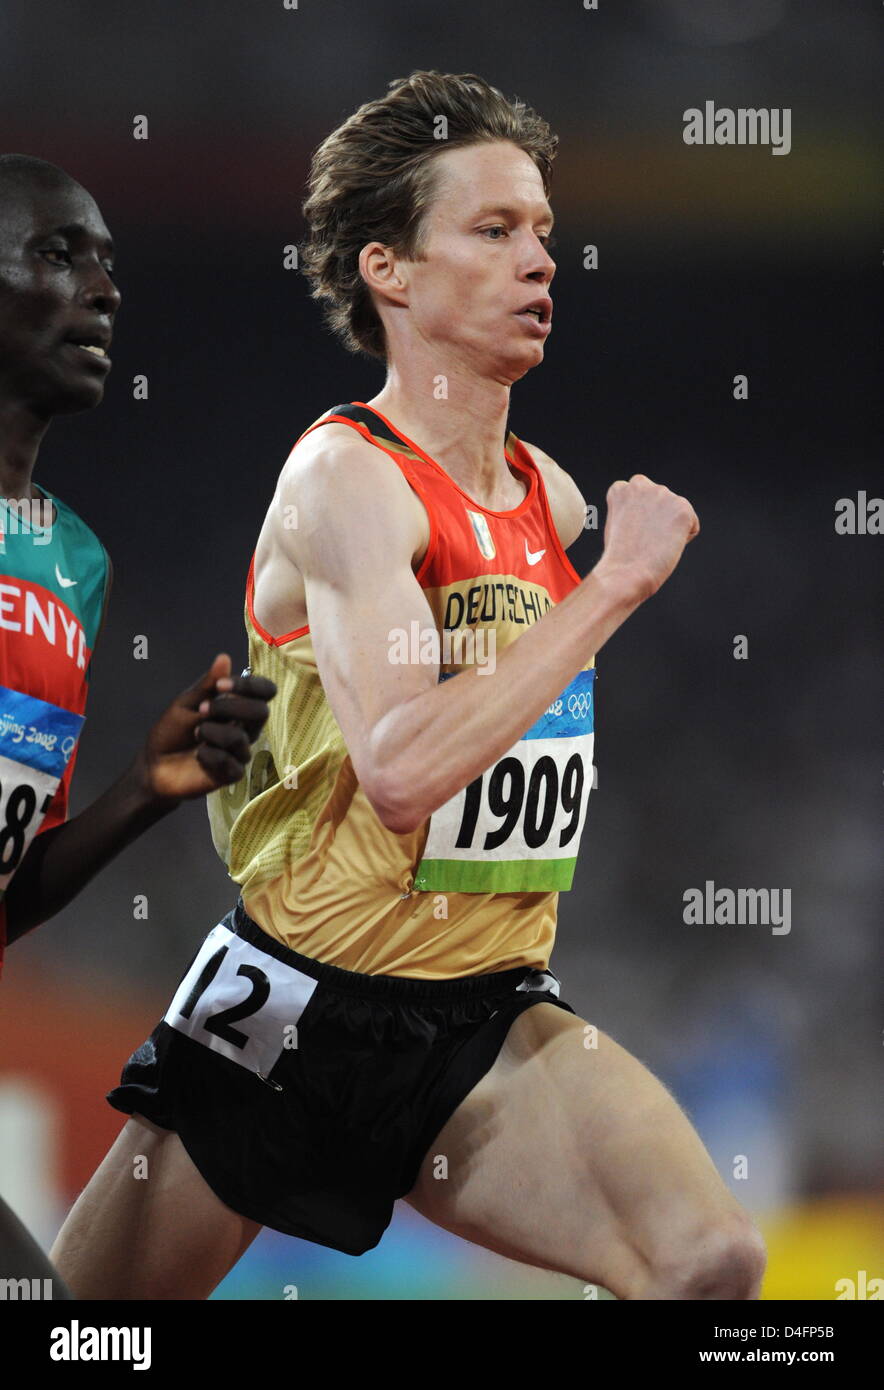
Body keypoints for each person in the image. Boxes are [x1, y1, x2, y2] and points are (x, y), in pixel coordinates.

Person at [52, 73, 767, 1301]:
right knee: (82, 1331)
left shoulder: (547, 495)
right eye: (492, 232)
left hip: (478, 1015)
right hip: (288, 1008)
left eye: (542, 231)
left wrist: (592, 578)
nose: (539, 260)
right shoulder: (345, 477)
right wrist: (612, 588)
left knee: (706, 1263)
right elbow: (397, 770)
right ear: (387, 269)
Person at [0, 154, 275, 1296]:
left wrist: (141, 792)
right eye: (58, 255)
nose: (103, 289)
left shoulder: (72, 563)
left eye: (109, 262)